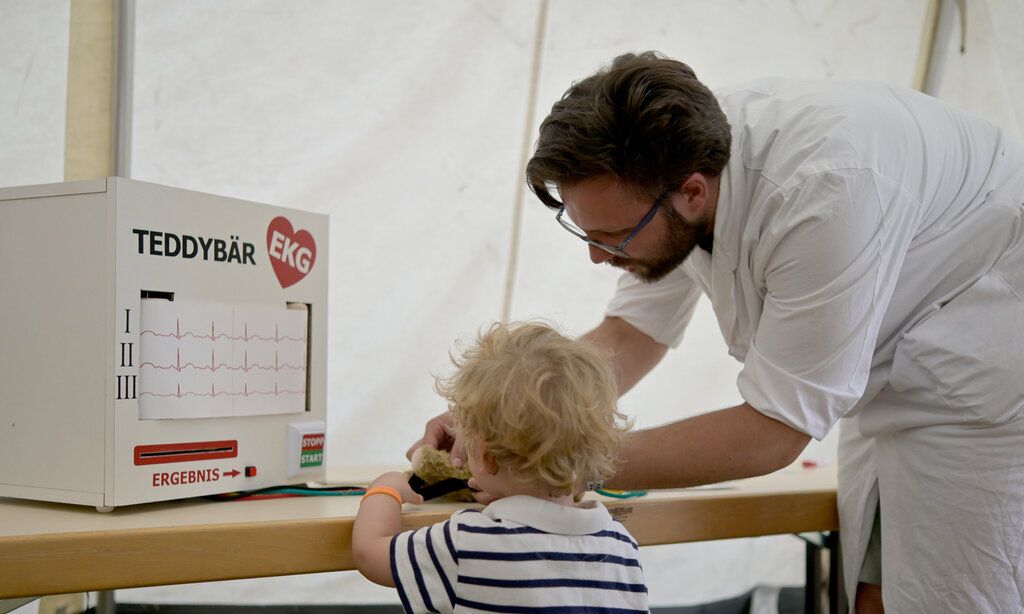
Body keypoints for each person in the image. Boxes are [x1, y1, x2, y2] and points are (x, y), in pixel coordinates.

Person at [410, 52, 1024, 613]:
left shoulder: (824, 192)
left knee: (949, 599)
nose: (598, 258)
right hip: (900, 369)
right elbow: (633, 331)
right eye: (585, 234)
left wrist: (549, 457)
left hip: (989, 381)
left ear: (692, 193)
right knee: (873, 591)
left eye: (611, 237)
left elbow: (772, 431)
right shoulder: (677, 155)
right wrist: (495, 418)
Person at [356, 321, 647, 613]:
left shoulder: (468, 541)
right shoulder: (624, 549)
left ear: (485, 455)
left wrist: (385, 488)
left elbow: (370, 553)